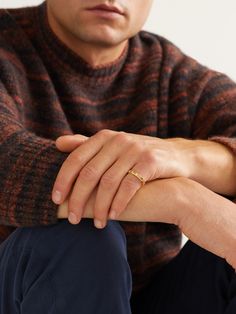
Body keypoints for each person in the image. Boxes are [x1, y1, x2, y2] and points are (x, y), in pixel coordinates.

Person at [0, 0, 236, 313]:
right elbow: (8, 163)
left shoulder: (175, 75)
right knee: (80, 235)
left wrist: (183, 155)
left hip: (158, 298)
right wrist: (183, 200)